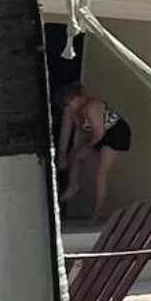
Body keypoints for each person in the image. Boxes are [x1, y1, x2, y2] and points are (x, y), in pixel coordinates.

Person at [56, 85, 133, 219]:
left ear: (77, 98)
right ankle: (73, 186)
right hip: (98, 135)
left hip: (114, 133)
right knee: (74, 154)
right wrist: (62, 155)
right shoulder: (70, 112)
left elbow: (99, 133)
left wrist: (86, 147)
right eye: (65, 106)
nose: (67, 108)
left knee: (101, 173)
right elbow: (65, 132)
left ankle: (98, 211)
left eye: (69, 104)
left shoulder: (92, 106)